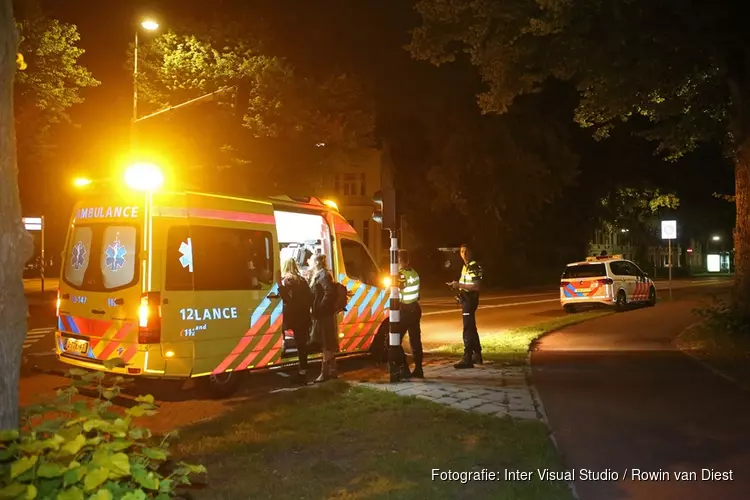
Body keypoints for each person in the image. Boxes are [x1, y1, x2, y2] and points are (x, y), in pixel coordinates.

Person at [448, 243, 483, 369]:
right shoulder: (465, 267)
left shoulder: (474, 267)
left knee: (467, 329)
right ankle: (477, 355)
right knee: (471, 327)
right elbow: (465, 283)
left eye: (466, 251)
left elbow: (476, 286)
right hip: (466, 299)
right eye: (462, 251)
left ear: (471, 252)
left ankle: (467, 358)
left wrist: (459, 286)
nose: (464, 254)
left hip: (470, 301)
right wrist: (458, 291)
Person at [278, 258, 313, 385]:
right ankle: (303, 372)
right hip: (303, 317)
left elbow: (287, 299)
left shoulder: (288, 280)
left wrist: (279, 286)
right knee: (302, 346)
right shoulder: (302, 280)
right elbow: (311, 297)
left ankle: (281, 351)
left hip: (293, 317)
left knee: (281, 334)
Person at [308, 253, 339, 382]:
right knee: (326, 343)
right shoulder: (320, 274)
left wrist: (320, 307)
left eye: (311, 260)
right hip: (323, 315)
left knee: (326, 344)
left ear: (316, 263)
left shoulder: (323, 275)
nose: (308, 262)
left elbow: (329, 292)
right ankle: (333, 371)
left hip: (324, 315)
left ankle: (324, 373)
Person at [397, 249, 424, 378]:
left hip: (405, 310)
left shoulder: (400, 275)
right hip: (415, 309)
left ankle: (404, 369)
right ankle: (419, 368)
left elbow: (396, 290)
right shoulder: (415, 273)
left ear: (400, 261)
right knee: (415, 340)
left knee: (394, 340)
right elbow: (417, 295)